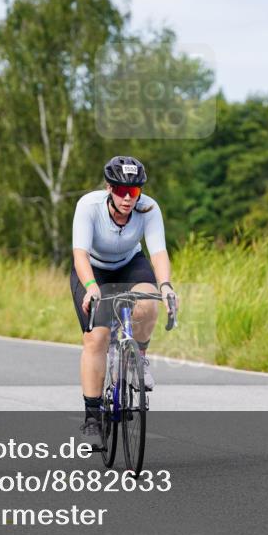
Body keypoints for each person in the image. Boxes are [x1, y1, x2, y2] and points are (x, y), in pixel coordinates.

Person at [71, 156, 178, 441]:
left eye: (134, 192)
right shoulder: (88, 206)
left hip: (130, 263)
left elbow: (158, 252)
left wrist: (166, 285)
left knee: (149, 299)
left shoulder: (149, 209)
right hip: (94, 269)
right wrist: (92, 286)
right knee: (96, 337)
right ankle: (93, 417)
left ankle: (137, 357)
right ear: (109, 188)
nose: (128, 198)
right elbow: (79, 253)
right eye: (121, 191)